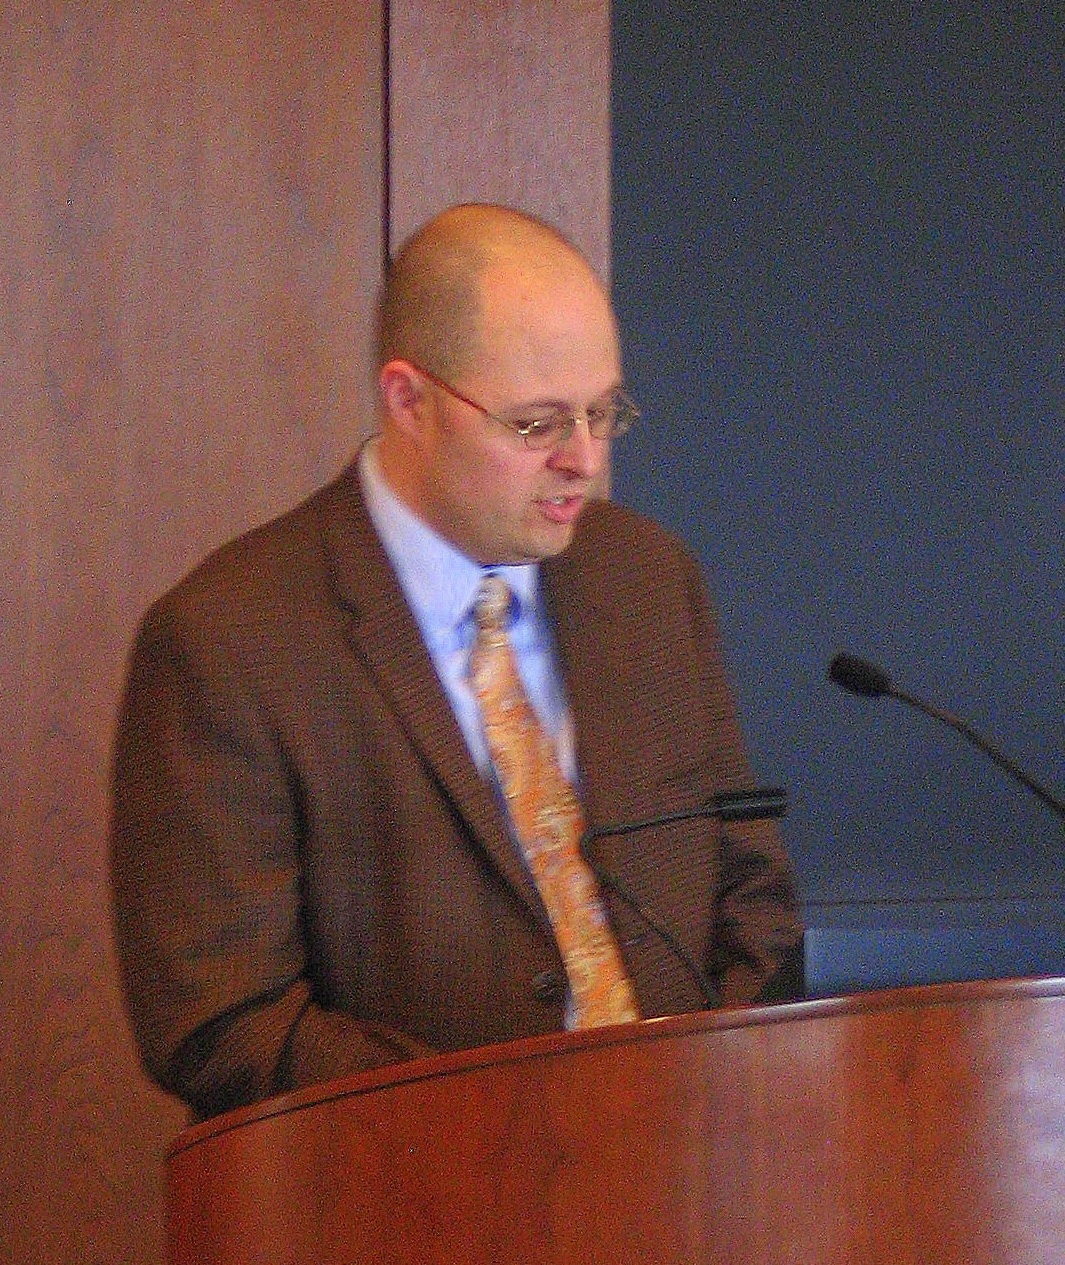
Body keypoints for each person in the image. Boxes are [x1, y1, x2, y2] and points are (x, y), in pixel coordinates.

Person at [111, 203, 803, 1121]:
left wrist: (705, 1102)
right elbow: (219, 1021)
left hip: (687, 1154)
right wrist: (515, 1119)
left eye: (603, 412)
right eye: (536, 425)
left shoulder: (646, 578)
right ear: (410, 401)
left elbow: (748, 888)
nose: (583, 461)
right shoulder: (228, 639)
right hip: (407, 1178)